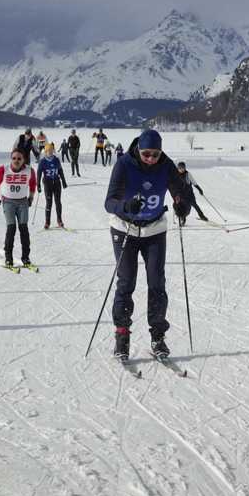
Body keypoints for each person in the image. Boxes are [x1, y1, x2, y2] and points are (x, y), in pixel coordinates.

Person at [103, 129, 194, 361]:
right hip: (125, 229)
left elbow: (180, 192)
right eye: (146, 154)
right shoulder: (124, 164)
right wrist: (125, 207)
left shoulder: (166, 165)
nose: (151, 159)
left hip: (154, 230)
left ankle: (158, 337)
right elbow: (109, 201)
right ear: (138, 150)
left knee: (156, 283)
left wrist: (182, 205)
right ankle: (122, 337)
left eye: (155, 154)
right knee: (126, 281)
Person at [0, 149, 38, 268]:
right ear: (11, 159)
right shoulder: (3, 170)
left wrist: (31, 198)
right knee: (11, 228)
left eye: (19, 159)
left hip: (22, 202)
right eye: (14, 158)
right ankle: (8, 258)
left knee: (24, 230)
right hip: (8, 202)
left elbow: (33, 184)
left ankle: (26, 258)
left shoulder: (29, 171)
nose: (16, 161)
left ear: (23, 160)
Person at [37, 142, 67, 229]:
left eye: (51, 150)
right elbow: (39, 174)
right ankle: (47, 222)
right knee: (49, 203)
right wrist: (38, 185)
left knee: (58, 202)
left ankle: (59, 220)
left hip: (57, 183)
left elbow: (60, 171)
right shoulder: (42, 161)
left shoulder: (56, 159)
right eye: (47, 151)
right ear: (45, 152)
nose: (49, 152)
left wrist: (64, 181)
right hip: (47, 183)